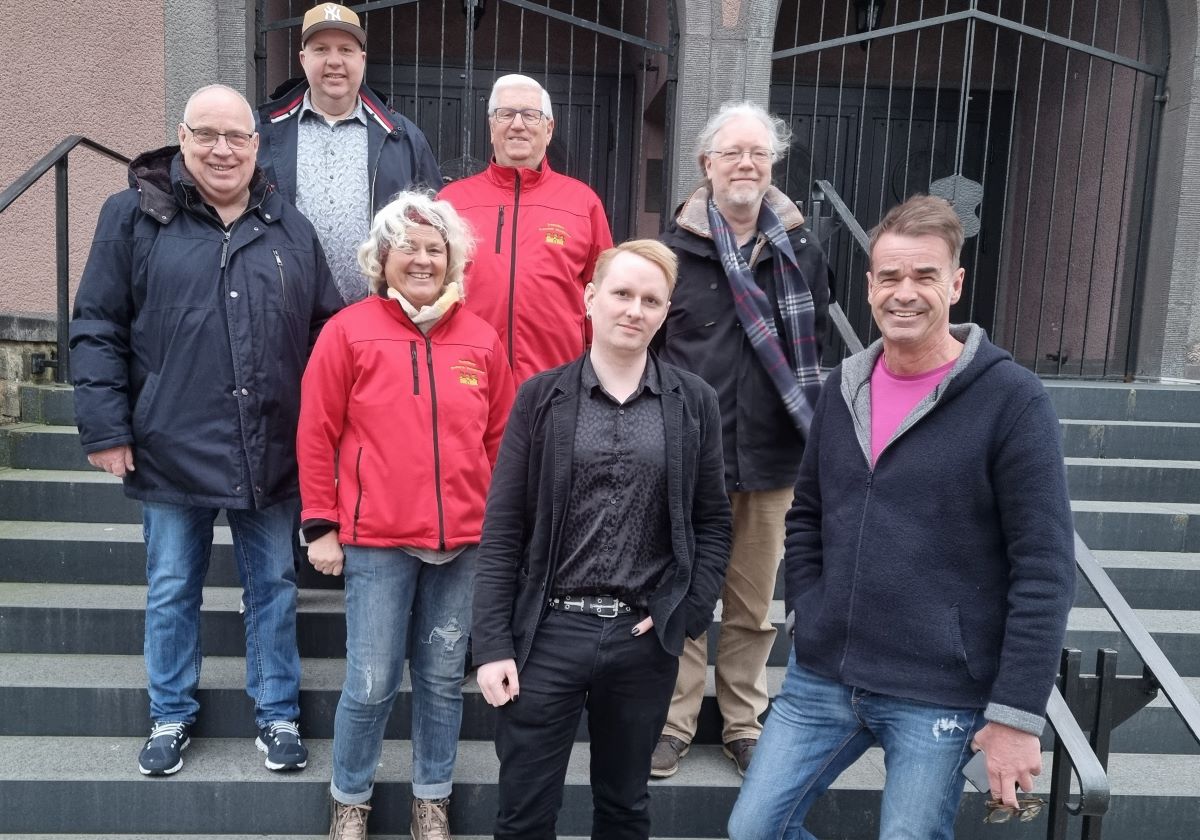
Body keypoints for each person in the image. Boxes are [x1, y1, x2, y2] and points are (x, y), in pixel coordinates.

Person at [726, 195, 1076, 839]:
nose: (904, 292)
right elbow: (806, 516)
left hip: (939, 690)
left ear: (956, 283)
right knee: (754, 829)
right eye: (889, 277)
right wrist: (815, 608)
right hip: (825, 678)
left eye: (924, 276)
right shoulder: (842, 387)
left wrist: (1018, 714)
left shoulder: (1012, 400)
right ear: (868, 286)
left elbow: (1045, 568)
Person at [70, 84, 344, 777]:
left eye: (239, 137)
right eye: (208, 135)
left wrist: (330, 435)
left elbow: (326, 334)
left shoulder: (290, 225)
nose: (223, 150)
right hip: (168, 441)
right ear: (182, 140)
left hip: (270, 442)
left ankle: (277, 714)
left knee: (274, 587)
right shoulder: (132, 216)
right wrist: (105, 426)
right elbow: (97, 326)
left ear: (258, 147)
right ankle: (170, 714)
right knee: (171, 588)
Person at [472, 239, 733, 840]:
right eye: (621, 293)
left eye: (651, 299)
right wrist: (491, 644)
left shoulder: (694, 402)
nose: (634, 310)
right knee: (524, 812)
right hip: (548, 634)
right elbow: (504, 523)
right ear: (590, 298)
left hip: (641, 639)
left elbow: (713, 521)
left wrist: (686, 612)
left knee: (624, 808)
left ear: (666, 311)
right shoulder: (541, 397)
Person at [298, 191, 515, 840]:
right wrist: (320, 523)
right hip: (378, 543)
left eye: (434, 248)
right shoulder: (349, 330)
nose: (421, 259)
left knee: (444, 680)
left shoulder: (480, 338)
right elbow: (316, 432)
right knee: (369, 683)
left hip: (465, 546)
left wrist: (504, 529)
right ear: (381, 257)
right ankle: (350, 798)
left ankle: (431, 798)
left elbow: (502, 442)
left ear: (452, 261)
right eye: (408, 246)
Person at [650, 100, 830, 779]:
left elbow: (813, 358)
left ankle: (742, 722)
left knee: (754, 607)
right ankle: (675, 721)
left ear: (772, 164)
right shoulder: (673, 252)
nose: (746, 164)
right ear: (707, 164)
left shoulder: (802, 249)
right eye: (733, 153)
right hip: (691, 458)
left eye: (758, 153)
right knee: (687, 594)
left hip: (775, 457)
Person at [256, 2, 442, 303]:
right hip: (287, 311)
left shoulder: (403, 136)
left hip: (380, 313)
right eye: (321, 49)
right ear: (303, 59)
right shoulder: (263, 131)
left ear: (362, 59)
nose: (334, 61)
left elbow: (433, 225)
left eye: (346, 50)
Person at [439, 73, 613, 382]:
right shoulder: (451, 203)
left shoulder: (582, 203)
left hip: (556, 382)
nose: (517, 124)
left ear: (549, 129)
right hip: (465, 378)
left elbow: (603, 294)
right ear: (492, 127)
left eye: (530, 115)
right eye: (505, 114)